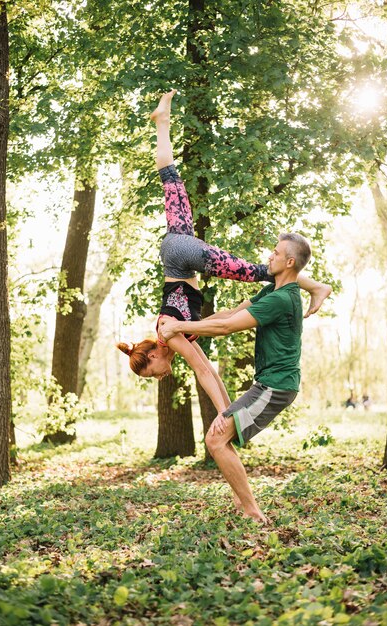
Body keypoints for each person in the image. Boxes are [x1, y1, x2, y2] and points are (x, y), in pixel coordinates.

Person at [117, 89, 331, 420]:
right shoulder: (177, 331)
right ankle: (162, 122)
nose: (162, 376)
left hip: (182, 255)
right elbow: (218, 332)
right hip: (177, 246)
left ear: (152, 357)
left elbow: (203, 372)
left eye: (154, 373)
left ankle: (315, 286)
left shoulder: (167, 335)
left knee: (259, 270)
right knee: (170, 180)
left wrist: (223, 414)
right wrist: (232, 408)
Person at [159, 231, 322, 523]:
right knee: (221, 437)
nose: (269, 256)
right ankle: (242, 502)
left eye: (275, 253)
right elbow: (229, 314)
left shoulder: (283, 299)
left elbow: (228, 328)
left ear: (289, 261)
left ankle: (252, 511)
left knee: (216, 439)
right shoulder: (272, 291)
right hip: (269, 384)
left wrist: (177, 327)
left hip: (276, 386)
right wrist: (187, 326)